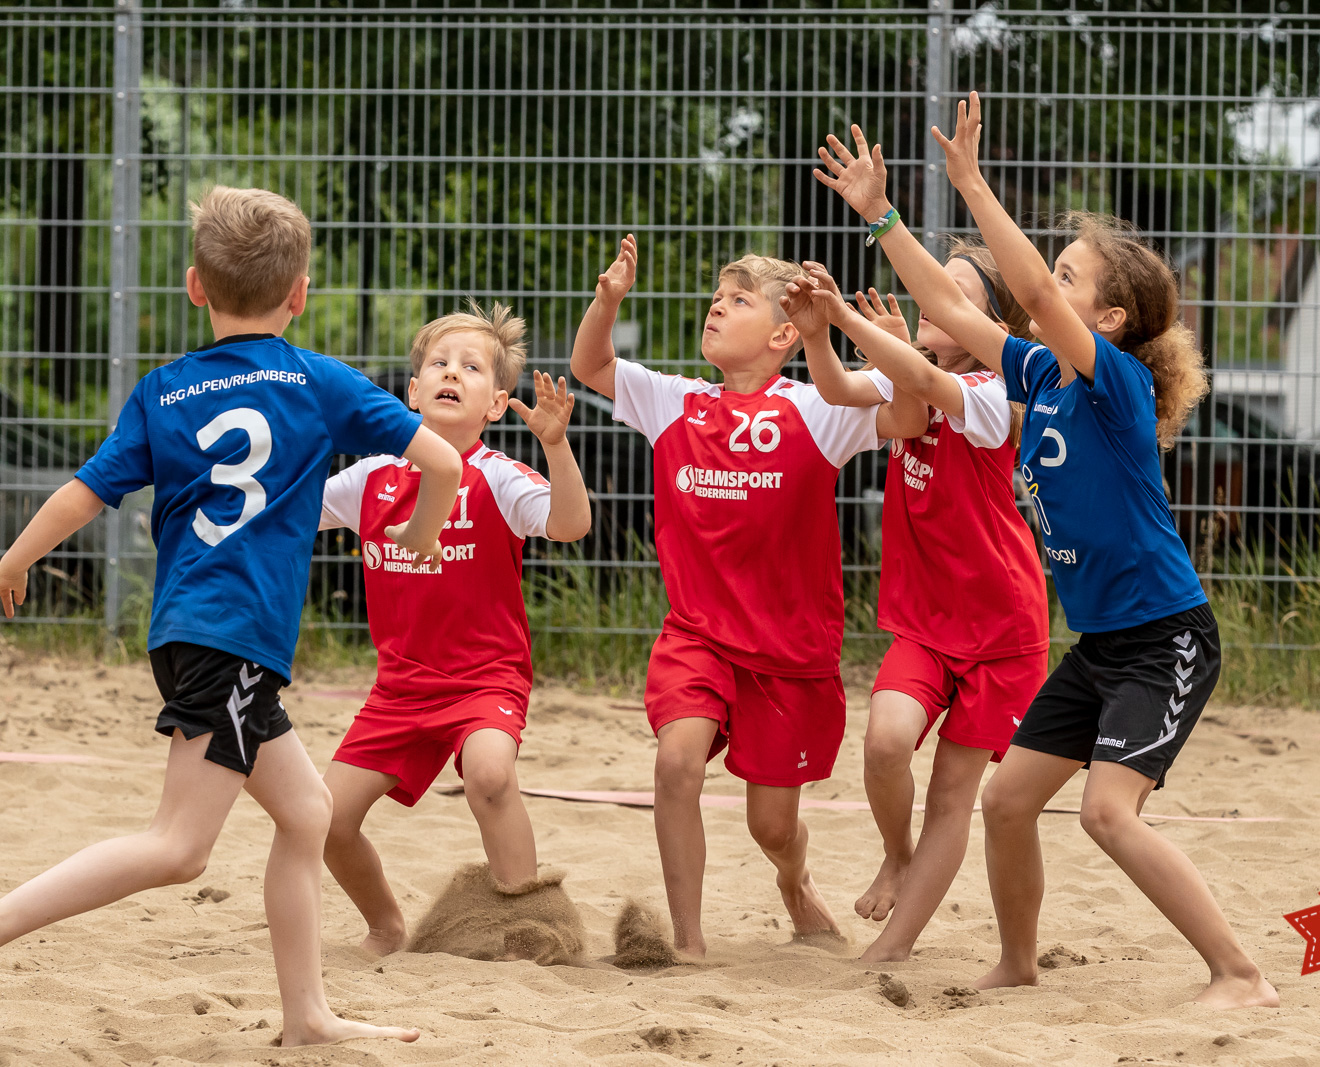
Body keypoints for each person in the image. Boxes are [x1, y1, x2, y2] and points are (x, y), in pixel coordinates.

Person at [814, 104, 1278, 1008]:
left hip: (1166, 640)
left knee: (1107, 812)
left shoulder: (1116, 385)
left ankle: (1240, 972)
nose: (1046, 287)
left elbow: (1022, 288)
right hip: (1102, 645)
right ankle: (1019, 961)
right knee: (1006, 800)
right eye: (1054, 271)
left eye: (1068, 277)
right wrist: (880, 217)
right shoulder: (1035, 376)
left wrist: (971, 183)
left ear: (1109, 316)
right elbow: (950, 306)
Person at [0, 186, 459, 1043]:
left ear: (194, 286)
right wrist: (421, 535)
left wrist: (15, 558)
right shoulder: (318, 381)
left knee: (308, 813)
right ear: (301, 294)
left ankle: (307, 1015)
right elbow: (445, 463)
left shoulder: (164, 390)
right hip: (234, 639)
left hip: (188, 631)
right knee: (179, 847)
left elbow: (83, 493)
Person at [569, 235, 926, 957]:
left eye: (738, 300)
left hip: (789, 653)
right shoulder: (675, 401)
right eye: (716, 297)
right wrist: (606, 303)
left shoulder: (818, 405)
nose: (717, 307)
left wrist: (887, 351)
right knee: (676, 762)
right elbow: (591, 367)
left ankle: (795, 879)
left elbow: (910, 420)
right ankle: (690, 942)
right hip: (696, 635)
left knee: (772, 826)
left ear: (783, 334)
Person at [778, 254, 1048, 964]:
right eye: (930, 283)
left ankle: (892, 949)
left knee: (955, 796)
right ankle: (896, 854)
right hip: (927, 620)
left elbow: (926, 387)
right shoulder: (914, 368)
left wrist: (851, 320)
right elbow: (839, 388)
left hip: (1001, 628)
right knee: (885, 743)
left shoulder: (993, 391)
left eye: (952, 291)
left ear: (991, 323)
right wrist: (819, 334)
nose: (929, 296)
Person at [317, 303, 591, 955]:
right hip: (399, 691)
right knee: (325, 820)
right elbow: (284, 515)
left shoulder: (497, 477)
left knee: (490, 775)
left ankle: (533, 927)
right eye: (439, 363)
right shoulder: (371, 478)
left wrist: (556, 445)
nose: (450, 373)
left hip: (484, 680)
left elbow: (572, 524)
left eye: (470, 367)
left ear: (495, 403)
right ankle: (386, 926)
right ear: (412, 392)